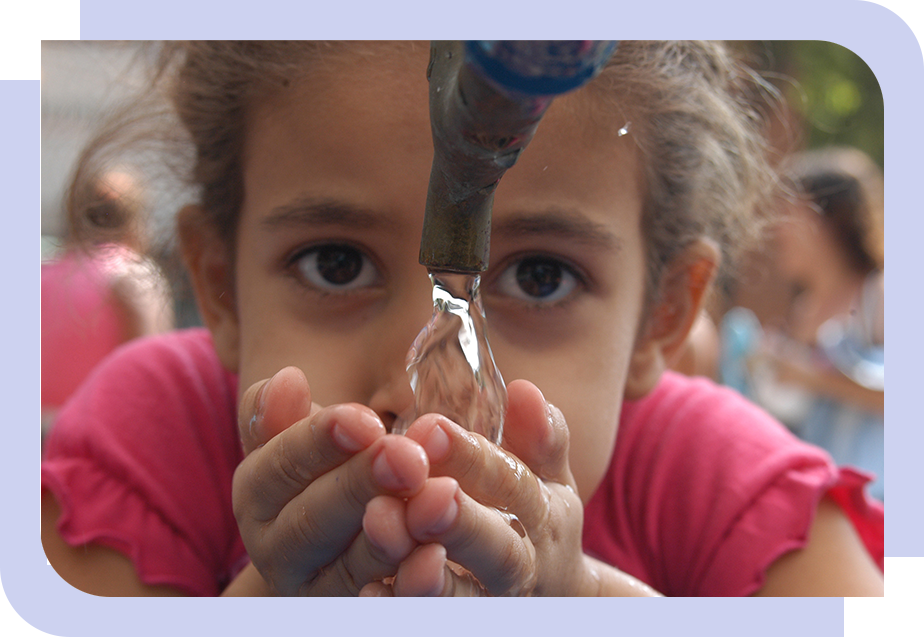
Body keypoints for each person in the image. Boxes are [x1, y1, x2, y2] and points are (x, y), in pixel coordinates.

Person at [40, 41, 884, 597]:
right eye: (336, 263)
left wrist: (586, 600)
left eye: (541, 275)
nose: (421, 397)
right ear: (220, 287)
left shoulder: (724, 491)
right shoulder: (155, 440)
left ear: (661, 317)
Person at [732, 147, 885, 499]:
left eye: (789, 213)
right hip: (814, 501)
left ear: (824, 219)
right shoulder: (802, 308)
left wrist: (808, 376)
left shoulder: (879, 295)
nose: (777, 230)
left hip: (876, 511)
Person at [41, 170, 174, 442]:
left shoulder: (40, 275)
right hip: (96, 445)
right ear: (136, 221)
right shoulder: (132, 277)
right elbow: (152, 382)